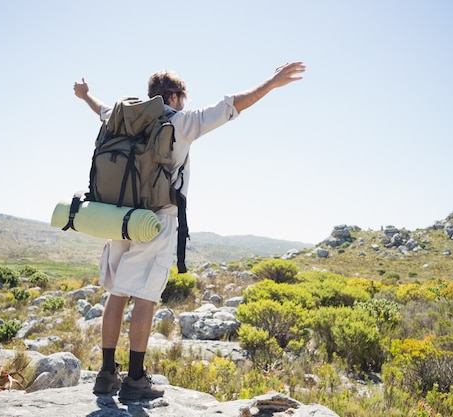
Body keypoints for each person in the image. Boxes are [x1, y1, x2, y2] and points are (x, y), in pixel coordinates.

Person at [73, 61, 305, 401]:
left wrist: (85, 95)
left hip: (117, 216)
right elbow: (230, 105)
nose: (185, 101)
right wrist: (271, 82)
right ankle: (135, 379)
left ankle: (106, 374)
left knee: (117, 293)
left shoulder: (122, 117)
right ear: (173, 96)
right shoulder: (180, 122)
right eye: (183, 95)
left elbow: (100, 108)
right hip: (156, 220)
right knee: (146, 297)